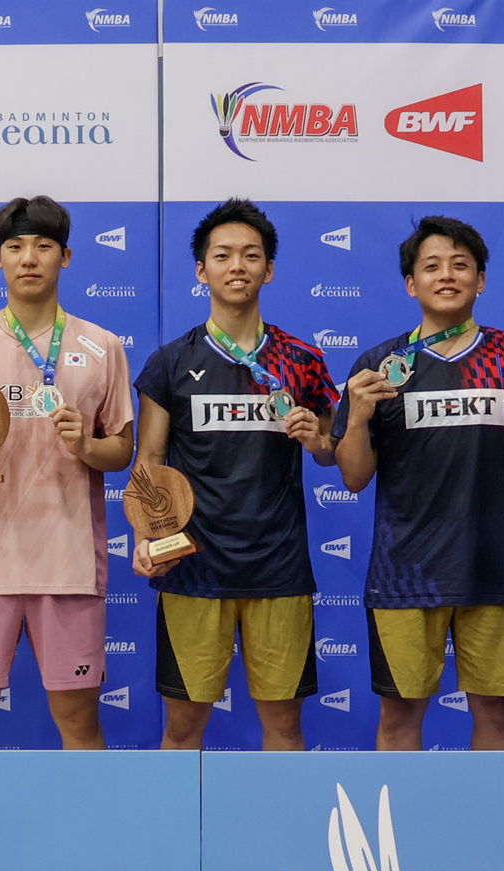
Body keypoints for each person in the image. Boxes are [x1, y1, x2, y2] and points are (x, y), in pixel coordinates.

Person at [333, 215, 504, 751]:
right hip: (403, 575)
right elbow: (354, 477)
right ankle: (396, 834)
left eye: (460, 265)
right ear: (411, 283)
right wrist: (355, 418)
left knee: (497, 722)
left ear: (481, 279)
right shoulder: (380, 366)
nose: (446, 275)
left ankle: (493, 835)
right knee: (398, 722)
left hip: (494, 570)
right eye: (432, 266)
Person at [0, 195, 134, 750]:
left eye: (43, 246)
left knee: (81, 725)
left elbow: (122, 450)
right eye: (15, 247)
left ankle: (88, 838)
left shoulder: (102, 346)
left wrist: (86, 446)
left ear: (65, 257)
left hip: (67, 570)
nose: (29, 258)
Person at [132, 198, 338, 750]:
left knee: (284, 727)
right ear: (202, 270)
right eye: (222, 255)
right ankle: (174, 836)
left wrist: (319, 439)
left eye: (251, 255)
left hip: (279, 568)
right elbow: (148, 460)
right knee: (183, 728)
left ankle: (282, 838)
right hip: (192, 567)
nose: (237, 265)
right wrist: (145, 535)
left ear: (269, 269)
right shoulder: (169, 362)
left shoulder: (303, 360)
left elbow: (330, 450)